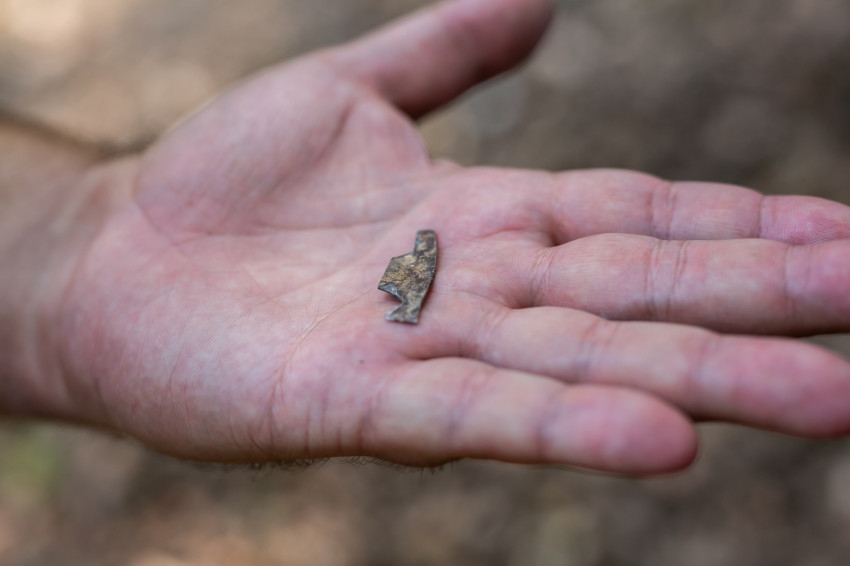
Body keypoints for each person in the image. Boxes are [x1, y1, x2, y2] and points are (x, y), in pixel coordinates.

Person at [2, 0, 850, 476]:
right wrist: (66, 251)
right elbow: (405, 278)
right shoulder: (410, 267)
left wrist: (68, 233)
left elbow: (409, 273)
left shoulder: (416, 262)